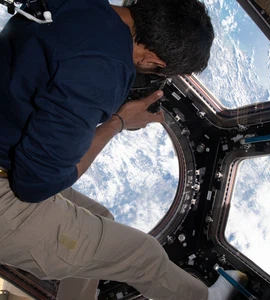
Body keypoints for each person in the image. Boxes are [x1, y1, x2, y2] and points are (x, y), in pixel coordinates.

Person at [0, 0, 247, 299]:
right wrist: (118, 121)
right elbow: (35, 185)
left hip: (8, 154)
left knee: (101, 215)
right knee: (142, 255)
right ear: (154, 60)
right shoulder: (106, 67)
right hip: (11, 193)